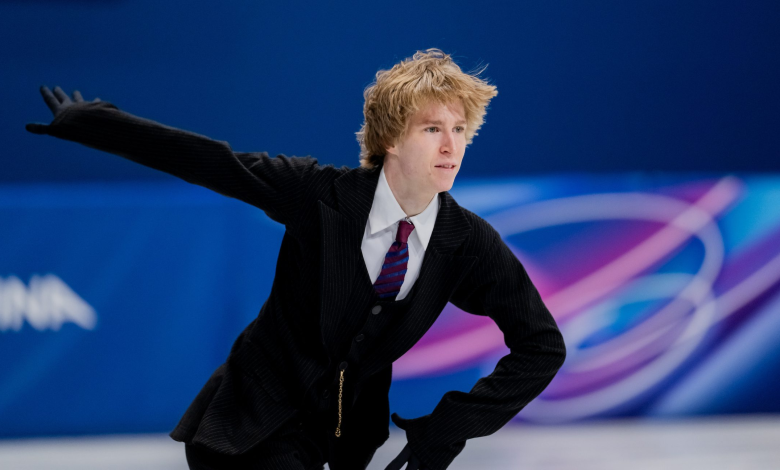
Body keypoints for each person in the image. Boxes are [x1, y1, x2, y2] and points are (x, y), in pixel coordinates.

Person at [26, 48, 567, 470]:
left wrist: (452, 424)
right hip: (247, 427)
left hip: (341, 443)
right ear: (391, 139)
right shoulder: (318, 193)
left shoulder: (467, 241)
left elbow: (541, 345)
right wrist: (93, 124)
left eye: (459, 130)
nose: (451, 146)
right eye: (432, 129)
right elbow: (213, 162)